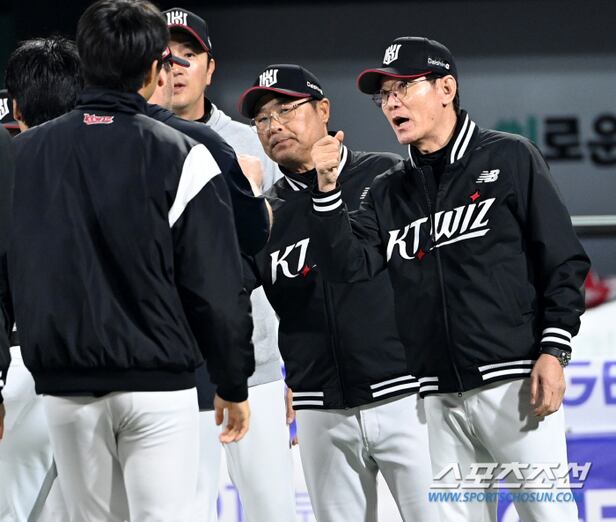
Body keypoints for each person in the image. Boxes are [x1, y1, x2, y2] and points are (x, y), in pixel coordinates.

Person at [309, 36, 590, 522]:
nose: (391, 102)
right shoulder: (387, 191)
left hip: (514, 384)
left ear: (446, 89)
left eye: (403, 87)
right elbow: (346, 268)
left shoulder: (509, 157)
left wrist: (554, 349)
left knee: (547, 516)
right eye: (384, 95)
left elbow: (563, 259)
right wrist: (327, 192)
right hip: (437, 395)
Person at [0, 2, 253, 521]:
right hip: (158, 388)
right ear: (156, 70)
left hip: (67, 389)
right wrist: (232, 381)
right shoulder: (184, 152)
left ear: (85, 63)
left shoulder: (22, 156)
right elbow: (216, 284)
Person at [238, 64, 438, 522]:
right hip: (319, 407)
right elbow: (228, 291)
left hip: (407, 396)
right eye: (262, 119)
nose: (274, 125)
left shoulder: (385, 176)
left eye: (286, 109)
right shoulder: (265, 212)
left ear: (323, 110)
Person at [161, 8, 294, 522]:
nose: (176, 67)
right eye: (166, 57)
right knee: (184, 512)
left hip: (256, 363)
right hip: (176, 367)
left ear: (210, 68)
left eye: (188, 55)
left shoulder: (252, 142)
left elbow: (283, 256)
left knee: (273, 510)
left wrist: (294, 366)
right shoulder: (140, 141)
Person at [0, 36, 83, 522]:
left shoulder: (9, 162)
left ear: (15, 107)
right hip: (105, 366)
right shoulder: (119, 158)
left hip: (19, 356)